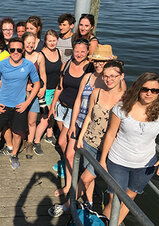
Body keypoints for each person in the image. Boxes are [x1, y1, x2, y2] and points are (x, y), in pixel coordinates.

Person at [49, 61, 125, 217]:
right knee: (87, 178)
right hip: (89, 141)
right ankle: (89, 203)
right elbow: (89, 116)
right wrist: (80, 137)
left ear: (121, 76)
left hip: (107, 148)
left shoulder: (125, 99)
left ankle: (66, 207)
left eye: (113, 76)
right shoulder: (97, 92)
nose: (109, 79)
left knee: (84, 178)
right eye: (106, 76)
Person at [100, 72, 159, 224]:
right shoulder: (122, 107)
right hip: (118, 160)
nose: (149, 93)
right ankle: (102, 222)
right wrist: (102, 160)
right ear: (138, 88)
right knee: (115, 199)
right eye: (145, 89)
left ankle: (114, 223)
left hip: (145, 165)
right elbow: (110, 134)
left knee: (130, 197)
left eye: (154, 90)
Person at [0, 38, 40, 174]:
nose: (16, 52)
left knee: (17, 134)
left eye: (19, 50)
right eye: (12, 49)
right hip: (2, 105)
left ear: (23, 51)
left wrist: (27, 103)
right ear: (9, 50)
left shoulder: (29, 65)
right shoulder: (2, 64)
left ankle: (14, 155)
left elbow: (37, 84)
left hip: (19, 107)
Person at [49, 39, 92, 196]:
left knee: (64, 143)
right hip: (62, 107)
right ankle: (71, 166)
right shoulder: (66, 64)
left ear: (88, 51)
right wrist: (53, 104)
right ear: (72, 50)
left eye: (83, 51)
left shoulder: (91, 68)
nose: (79, 54)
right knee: (64, 143)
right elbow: (60, 86)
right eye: (77, 51)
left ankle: (69, 184)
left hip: (76, 111)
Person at [20, 32, 46, 158]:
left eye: (32, 42)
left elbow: (43, 74)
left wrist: (43, 87)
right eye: (27, 43)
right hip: (20, 92)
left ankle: (30, 143)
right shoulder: (19, 55)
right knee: (20, 119)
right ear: (23, 43)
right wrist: (24, 86)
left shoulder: (39, 56)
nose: (30, 45)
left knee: (32, 120)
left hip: (35, 92)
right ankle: (20, 140)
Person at [34, 30, 62, 147]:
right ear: (45, 41)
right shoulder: (41, 54)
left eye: (54, 40)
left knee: (53, 114)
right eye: (49, 40)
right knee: (46, 117)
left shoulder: (59, 52)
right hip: (45, 90)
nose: (52, 43)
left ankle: (49, 135)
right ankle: (36, 141)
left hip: (57, 89)